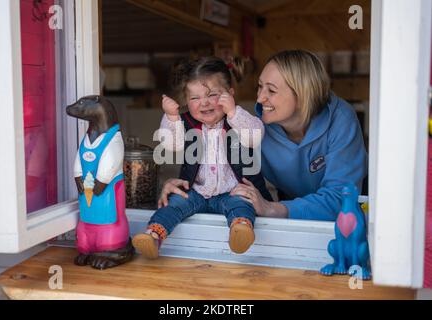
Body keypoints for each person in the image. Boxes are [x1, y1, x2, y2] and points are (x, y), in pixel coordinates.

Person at [158, 50, 368, 222]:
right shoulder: (251, 128)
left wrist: (274, 209)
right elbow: (220, 174)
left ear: (303, 94)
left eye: (271, 90)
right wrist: (185, 187)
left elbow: (342, 198)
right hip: (290, 216)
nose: (259, 98)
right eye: (260, 87)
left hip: (347, 223)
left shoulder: (340, 119)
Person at [132, 56, 272, 259]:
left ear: (230, 95)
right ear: (186, 102)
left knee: (242, 204)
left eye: (213, 95)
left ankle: (241, 231)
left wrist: (233, 111)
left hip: (232, 191)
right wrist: (171, 117)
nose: (204, 103)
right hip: (196, 190)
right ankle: (153, 236)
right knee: (175, 204)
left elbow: (254, 137)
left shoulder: (238, 119)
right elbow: (172, 144)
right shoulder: (186, 122)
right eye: (195, 98)